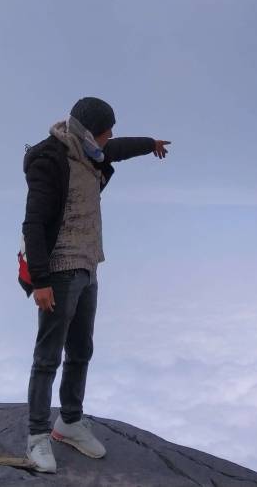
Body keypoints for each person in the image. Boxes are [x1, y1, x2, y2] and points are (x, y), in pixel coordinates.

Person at [19, 96, 170, 473]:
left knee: (81, 350)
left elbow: (115, 149)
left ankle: (68, 421)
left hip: (88, 267)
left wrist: (149, 144)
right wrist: (40, 280)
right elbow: (33, 223)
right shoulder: (50, 160)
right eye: (104, 134)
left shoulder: (91, 153)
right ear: (87, 133)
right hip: (58, 271)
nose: (109, 140)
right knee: (48, 356)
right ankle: (37, 436)